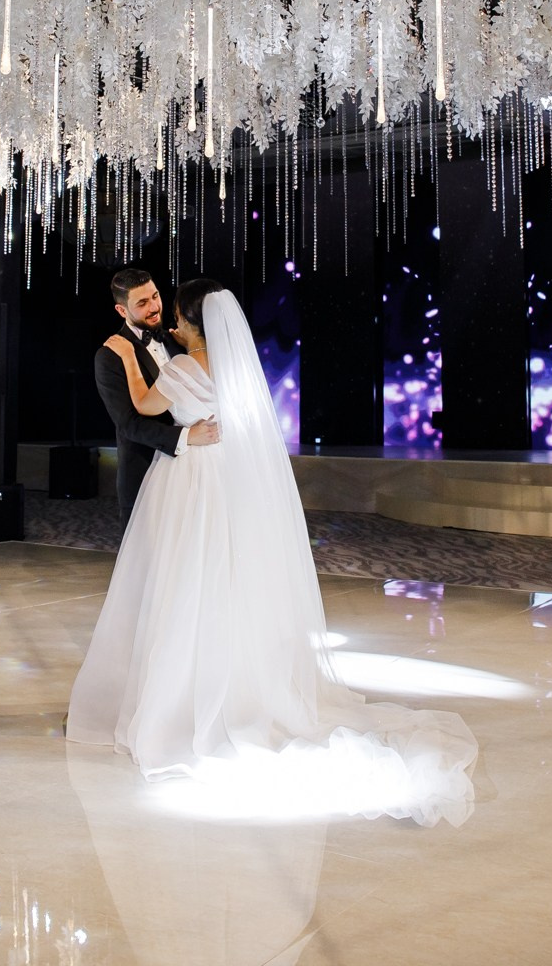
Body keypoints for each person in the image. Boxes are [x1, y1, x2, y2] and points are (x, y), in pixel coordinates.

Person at [66, 280, 478, 826]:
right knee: (218, 580)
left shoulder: (183, 367)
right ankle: (227, 685)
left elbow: (142, 402)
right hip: (225, 481)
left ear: (191, 322)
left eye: (166, 307)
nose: (161, 314)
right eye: (143, 305)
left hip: (191, 484)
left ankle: (186, 696)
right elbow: (142, 421)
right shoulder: (235, 366)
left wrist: (131, 360)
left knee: (186, 583)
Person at [94, 268, 220, 523]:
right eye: (142, 303)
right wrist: (186, 436)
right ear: (122, 310)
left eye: (155, 296)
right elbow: (128, 423)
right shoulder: (110, 356)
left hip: (196, 474)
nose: (154, 307)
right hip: (142, 473)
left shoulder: (181, 341)